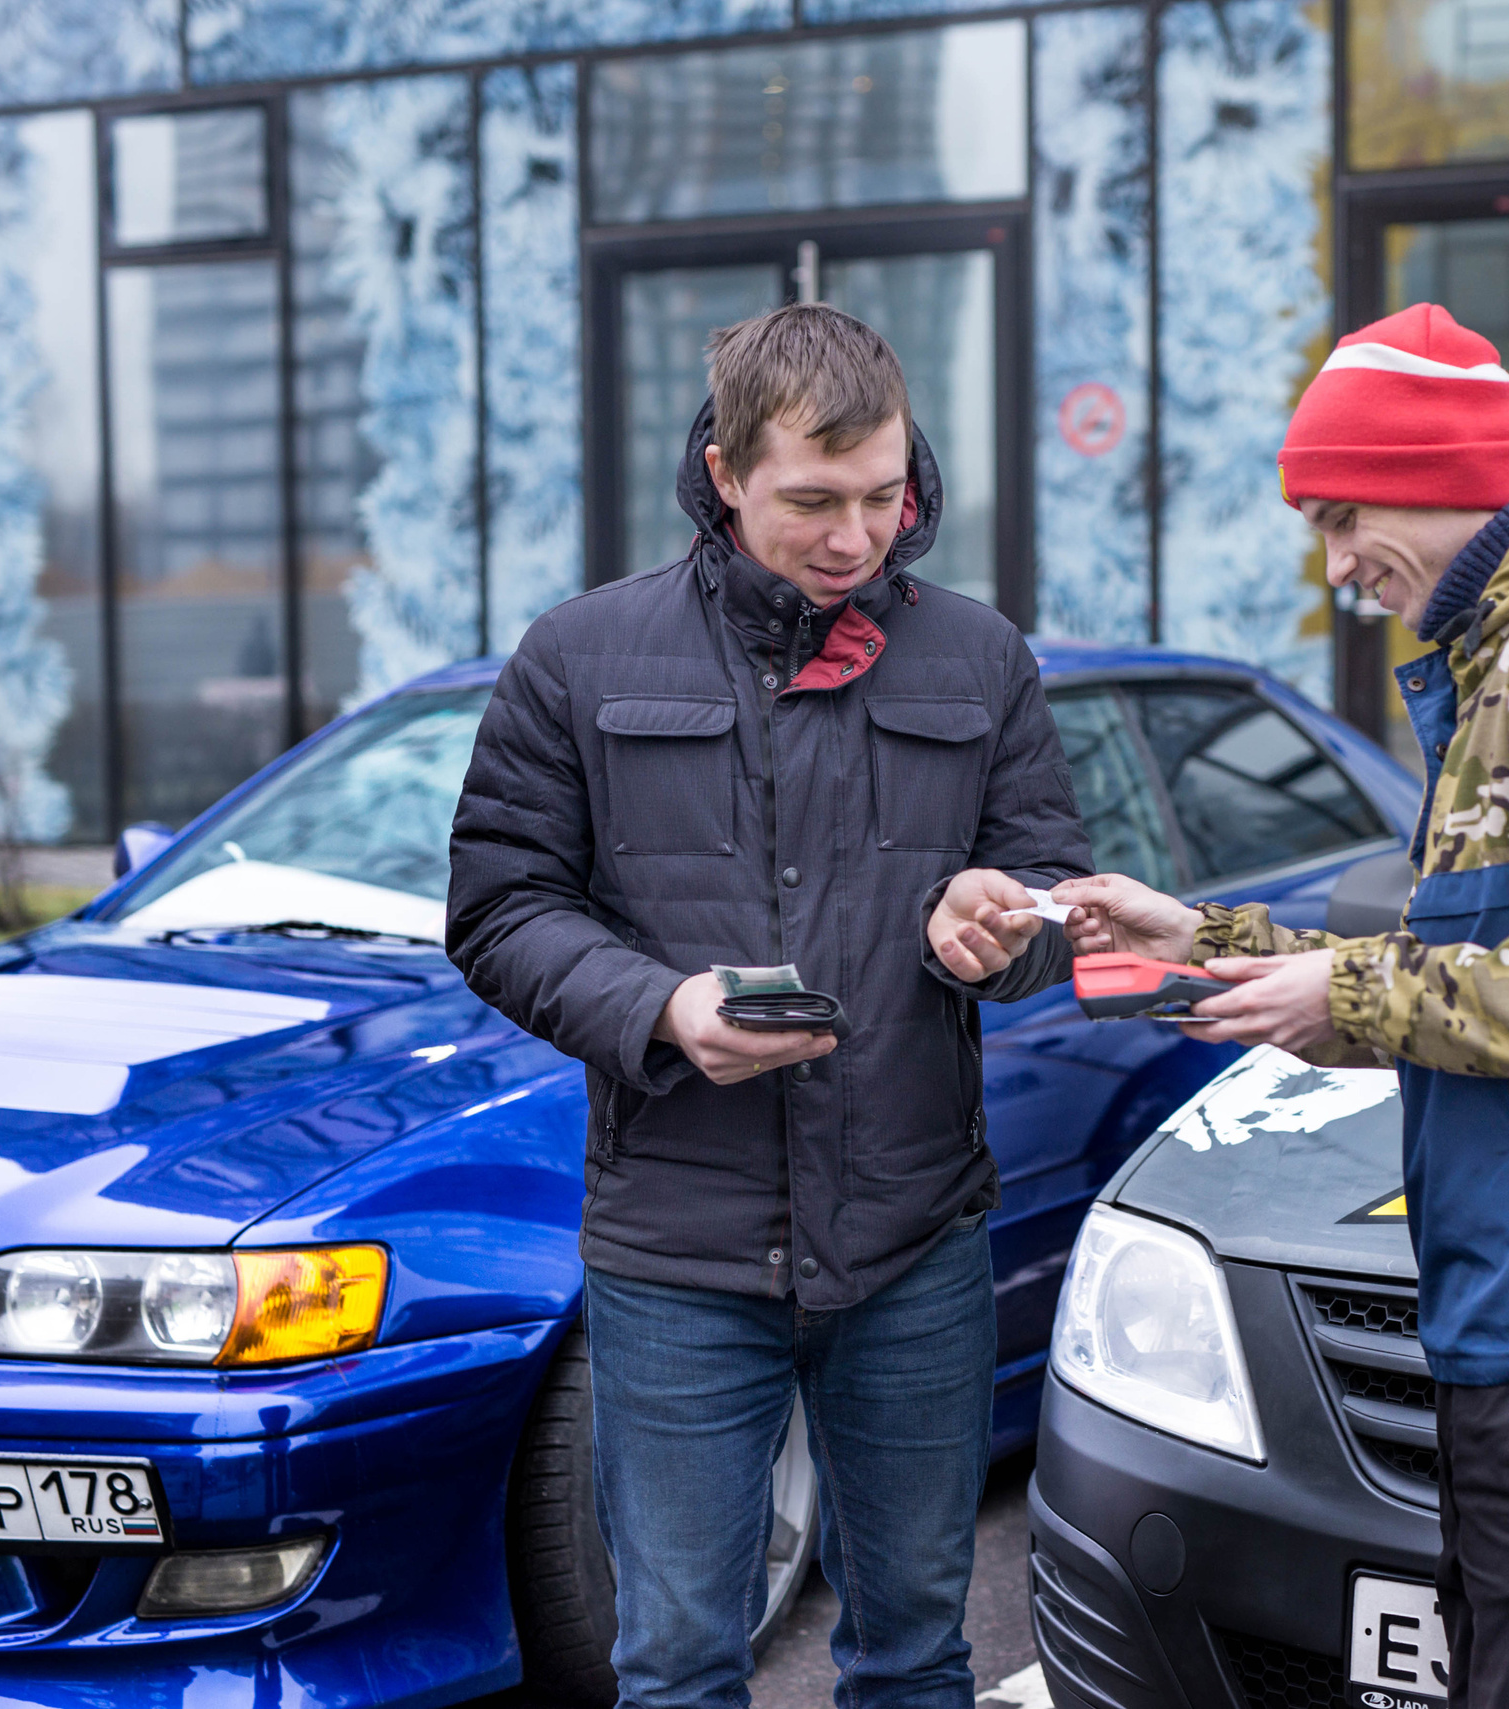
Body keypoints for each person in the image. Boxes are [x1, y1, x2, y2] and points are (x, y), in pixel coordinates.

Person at [1055, 303, 1509, 1709]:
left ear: (1436, 477)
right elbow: (1455, 959)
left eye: (1340, 518)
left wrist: (1355, 993)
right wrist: (1196, 939)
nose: (1335, 567)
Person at [446, 303, 1090, 1709]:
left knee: (918, 1649)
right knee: (675, 1661)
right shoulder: (577, 657)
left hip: (916, 1242)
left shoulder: (979, 660)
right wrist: (662, 1005)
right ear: (726, 468)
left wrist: (1004, 932)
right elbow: (498, 912)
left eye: (883, 495)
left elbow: (1059, 899)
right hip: (678, 1254)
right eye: (813, 500)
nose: (857, 537)